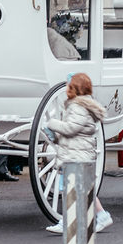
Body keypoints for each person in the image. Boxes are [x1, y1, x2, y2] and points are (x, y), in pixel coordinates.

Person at [44, 73, 113, 235]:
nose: (66, 88)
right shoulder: (83, 106)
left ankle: (68, 222)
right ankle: (101, 215)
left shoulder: (78, 107)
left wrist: (52, 124)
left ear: (74, 88)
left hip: (77, 155)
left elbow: (71, 128)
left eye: (68, 85)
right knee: (83, 190)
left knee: (74, 190)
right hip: (78, 152)